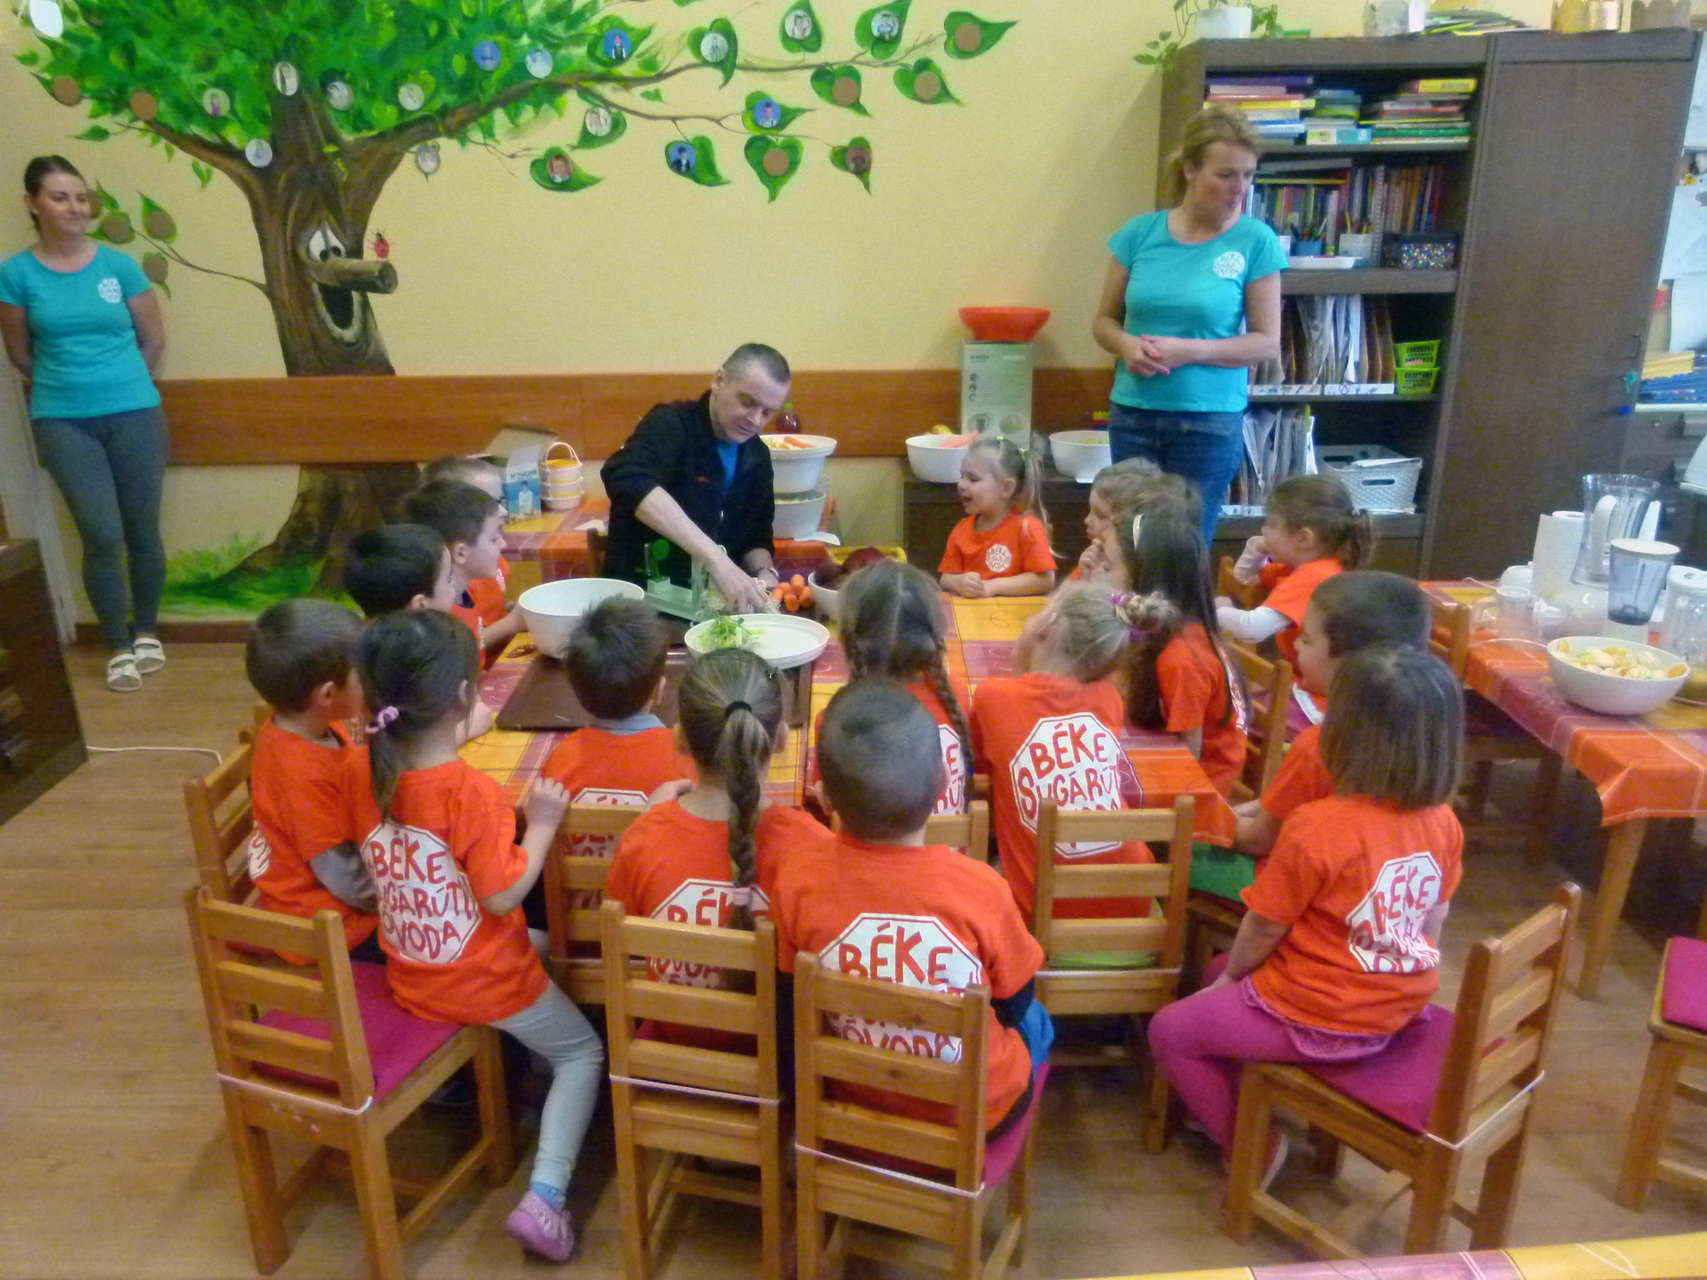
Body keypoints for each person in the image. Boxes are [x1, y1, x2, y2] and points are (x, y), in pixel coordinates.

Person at [1147, 645, 1465, 1174]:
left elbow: (1262, 927)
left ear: (1346, 735)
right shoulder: (1445, 823)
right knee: (1210, 974)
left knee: (1170, 1031)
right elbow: (1435, 919)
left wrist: (1232, 979)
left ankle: (1253, 1148)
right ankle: (1242, 1103)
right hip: (1397, 1003)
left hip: (1324, 1016)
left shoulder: (1317, 826)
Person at [348, 610, 602, 1262]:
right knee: (583, 1052)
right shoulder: (472, 794)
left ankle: (519, 1079)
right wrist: (541, 825)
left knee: (546, 950)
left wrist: (459, 732)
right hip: (482, 982)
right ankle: (546, 1197)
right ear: (465, 697)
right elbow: (501, 896)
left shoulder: (364, 770)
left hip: (413, 970)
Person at [771, 680, 1050, 1136]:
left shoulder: (796, 880)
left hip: (850, 1111)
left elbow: (789, 1005)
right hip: (972, 1121)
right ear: (943, 783)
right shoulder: (983, 888)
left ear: (825, 797)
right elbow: (1014, 1005)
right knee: (1038, 1021)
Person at [0, 156, 169, 692]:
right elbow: (19, 353)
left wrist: (122, 384)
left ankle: (147, 633)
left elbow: (154, 338)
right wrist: (72, 386)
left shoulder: (119, 266)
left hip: (137, 415)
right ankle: (118, 646)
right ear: (32, 204)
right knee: (100, 533)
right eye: (59, 197)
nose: (74, 207)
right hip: (62, 420)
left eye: (80, 197)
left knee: (142, 529)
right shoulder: (15, 274)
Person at [605, 648, 828, 1037]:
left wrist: (647, 822)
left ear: (680, 740)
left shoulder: (642, 840)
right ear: (780, 740)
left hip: (670, 1046)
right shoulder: (816, 849)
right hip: (783, 1059)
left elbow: (629, 934)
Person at [1092, 106, 1285, 545]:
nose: (1239, 188)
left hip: (1208, 423)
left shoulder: (1256, 241)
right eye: (1226, 175)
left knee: (1186, 545)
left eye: (1248, 175)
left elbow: (1266, 343)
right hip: (1134, 415)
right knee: (1127, 542)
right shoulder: (1139, 234)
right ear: (1190, 170)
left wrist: (1190, 351)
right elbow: (1103, 322)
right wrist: (1125, 345)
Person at [970, 582, 1167, 923]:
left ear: (1047, 627)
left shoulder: (993, 698)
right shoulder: (1109, 699)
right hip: (1134, 896)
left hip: (1041, 912)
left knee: (979, 872)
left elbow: (978, 770)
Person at [1232, 571, 1431, 860]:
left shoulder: (1320, 746)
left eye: (1307, 639)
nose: (1296, 645)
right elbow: (1281, 805)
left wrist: (1202, 822)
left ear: (1348, 664)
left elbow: (1257, 841)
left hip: (1309, 877)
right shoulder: (1424, 740)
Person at [601, 343, 790, 613]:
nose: (755, 420)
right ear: (719, 381)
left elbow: (756, 535)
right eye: (747, 402)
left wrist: (764, 573)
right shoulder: (671, 424)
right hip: (639, 609)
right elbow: (628, 479)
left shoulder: (757, 455)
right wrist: (717, 560)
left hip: (712, 610)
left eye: (767, 412)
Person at [243, 599, 379, 962]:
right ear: (328, 696)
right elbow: (346, 880)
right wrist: (404, 895)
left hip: (342, 888)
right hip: (327, 924)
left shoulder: (313, 726)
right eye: (364, 673)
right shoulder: (300, 777)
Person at [541, 597, 697, 862]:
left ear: (577, 694)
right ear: (659, 691)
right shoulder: (685, 758)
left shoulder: (561, 759)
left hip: (584, 889)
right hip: (655, 888)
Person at [816, 559, 972, 815]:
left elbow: (824, 805)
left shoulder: (836, 724)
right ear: (933, 638)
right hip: (952, 843)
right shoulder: (958, 697)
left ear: (849, 640)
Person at [1112, 515, 1250, 799]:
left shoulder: (1182, 659)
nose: (1101, 572)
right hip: (1178, 755)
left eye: (1108, 566)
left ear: (1144, 578)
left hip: (1202, 790)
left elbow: (1188, 761)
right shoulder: (1170, 630)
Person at [341, 524, 495, 741]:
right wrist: (465, 730)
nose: (454, 588)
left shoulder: (428, 640)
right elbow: (386, 751)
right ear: (420, 605)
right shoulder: (378, 669)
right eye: (448, 579)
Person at [1216, 473, 1374, 667]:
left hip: (1319, 683)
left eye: (1271, 524)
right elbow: (1244, 577)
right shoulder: (1300, 566)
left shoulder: (1313, 577)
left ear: (1303, 539)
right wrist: (1255, 548)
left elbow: (1251, 629)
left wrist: (1209, 612)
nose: (1264, 531)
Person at [401, 478, 527, 661]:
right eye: (493, 538)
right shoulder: (439, 612)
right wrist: (511, 623)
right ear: (461, 552)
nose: (503, 544)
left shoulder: (461, 593)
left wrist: (509, 608)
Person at [938, 435, 1056, 598]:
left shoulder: (1027, 528)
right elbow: (945, 579)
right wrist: (959, 582)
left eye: (973, 479)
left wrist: (993, 586)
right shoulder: (961, 530)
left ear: (1007, 488)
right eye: (961, 477)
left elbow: (1045, 580)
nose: (961, 485)